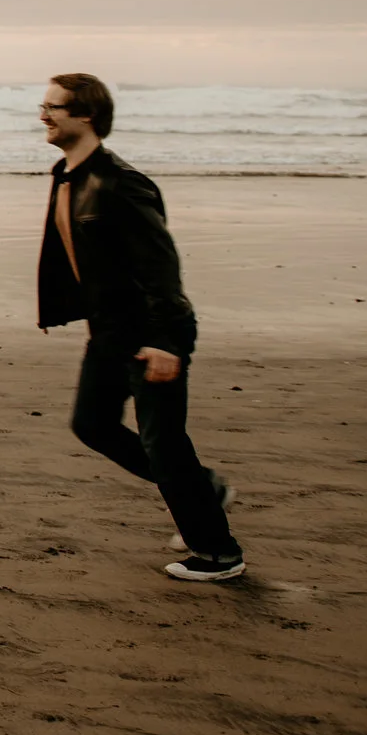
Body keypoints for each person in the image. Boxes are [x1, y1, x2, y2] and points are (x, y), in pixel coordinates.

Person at [36, 73, 243, 580]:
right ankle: (205, 488)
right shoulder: (67, 173)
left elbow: (159, 266)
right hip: (109, 331)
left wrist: (165, 341)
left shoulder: (121, 183)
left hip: (151, 334)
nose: (43, 114)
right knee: (92, 424)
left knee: (165, 444)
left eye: (53, 107)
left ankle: (218, 554)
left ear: (85, 115)